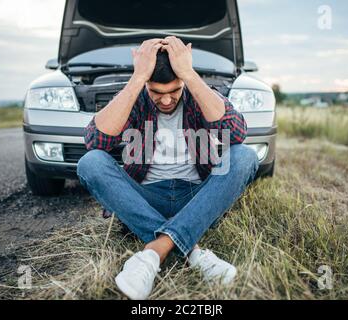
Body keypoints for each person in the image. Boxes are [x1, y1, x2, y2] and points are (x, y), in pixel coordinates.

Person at [77, 37, 259, 300]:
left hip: (197, 197)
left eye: (174, 90)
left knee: (244, 156)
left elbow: (237, 134)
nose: (165, 100)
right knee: (91, 163)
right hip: (145, 199)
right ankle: (192, 250)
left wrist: (188, 73)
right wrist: (138, 77)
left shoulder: (198, 92)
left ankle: (154, 252)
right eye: (157, 93)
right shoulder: (135, 95)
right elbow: (95, 142)